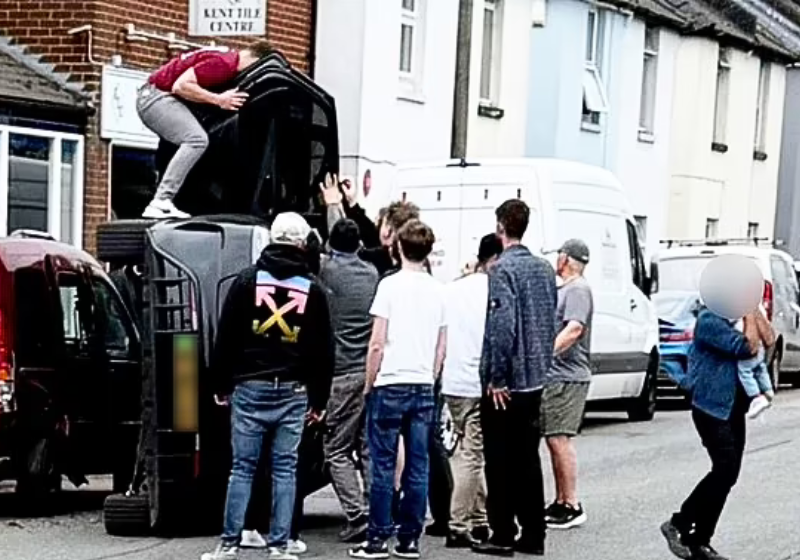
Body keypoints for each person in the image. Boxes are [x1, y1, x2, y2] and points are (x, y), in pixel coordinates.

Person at [202, 212, 334, 560]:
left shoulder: (247, 281)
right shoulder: (313, 289)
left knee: (242, 467)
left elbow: (226, 335)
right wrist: (319, 400)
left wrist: (220, 382)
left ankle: (229, 543)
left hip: (249, 386)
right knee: (285, 469)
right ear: (303, 244)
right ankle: (281, 544)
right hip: (293, 390)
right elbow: (323, 349)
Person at [349, 220, 447, 560]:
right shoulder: (439, 290)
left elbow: (377, 342)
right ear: (428, 250)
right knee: (418, 467)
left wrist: (369, 382)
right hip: (421, 383)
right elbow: (440, 346)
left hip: (389, 381)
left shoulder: (389, 286)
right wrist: (430, 378)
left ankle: (376, 539)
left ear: (398, 248)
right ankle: (409, 541)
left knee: (383, 465)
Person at [473, 200, 557, 558]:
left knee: (499, 459)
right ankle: (534, 532)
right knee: (527, 458)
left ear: (500, 227)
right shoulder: (543, 269)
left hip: (509, 379)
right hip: (537, 375)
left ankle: (504, 531)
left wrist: (496, 376)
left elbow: (501, 327)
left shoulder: (502, 270)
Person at [661, 307, 759, 560]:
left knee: (728, 475)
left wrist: (756, 311)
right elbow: (747, 348)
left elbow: (767, 340)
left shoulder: (735, 319)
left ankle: (700, 541)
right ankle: (679, 523)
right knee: (725, 468)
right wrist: (750, 315)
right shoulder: (710, 320)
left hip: (733, 407)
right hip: (711, 407)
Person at [138, 41, 274, 219]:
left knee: (194, 138)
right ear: (256, 60)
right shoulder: (225, 64)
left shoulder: (225, 56)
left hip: (154, 95)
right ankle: (161, 200)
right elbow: (181, 86)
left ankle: (168, 199)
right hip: (157, 98)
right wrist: (219, 100)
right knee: (196, 140)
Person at [318, 218, 380, 543]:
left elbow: (326, 251)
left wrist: (331, 205)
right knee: (368, 447)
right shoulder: (371, 274)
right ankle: (378, 511)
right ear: (358, 245)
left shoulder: (326, 272)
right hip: (369, 371)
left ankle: (358, 516)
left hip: (340, 373)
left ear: (330, 244)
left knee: (336, 449)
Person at [441, 234, 503, 549]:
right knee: (472, 455)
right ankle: (458, 523)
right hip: (479, 382)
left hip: (452, 382)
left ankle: (480, 519)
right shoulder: (495, 290)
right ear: (495, 259)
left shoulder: (452, 289)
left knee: (467, 448)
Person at [541, 239, 593, 531]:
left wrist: (545, 354)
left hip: (568, 375)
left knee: (559, 438)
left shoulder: (577, 290)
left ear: (566, 259)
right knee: (553, 438)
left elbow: (574, 329)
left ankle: (571, 503)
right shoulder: (567, 289)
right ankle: (561, 501)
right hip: (558, 375)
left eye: (558, 255)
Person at [735, 306, 776, 419]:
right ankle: (768, 390)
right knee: (760, 368)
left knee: (744, 370)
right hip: (760, 345)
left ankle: (756, 396)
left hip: (749, 344)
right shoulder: (758, 306)